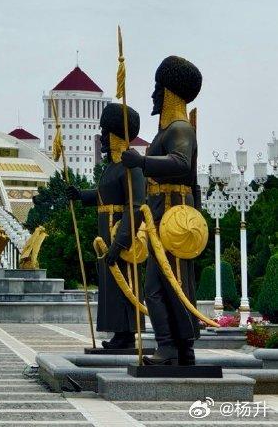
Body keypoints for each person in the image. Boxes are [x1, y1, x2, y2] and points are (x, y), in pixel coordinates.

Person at [122, 55, 202, 366]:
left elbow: (182, 165)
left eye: (157, 87)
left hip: (173, 216)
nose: (153, 94)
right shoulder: (166, 131)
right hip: (162, 213)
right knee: (162, 285)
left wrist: (141, 161)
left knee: (169, 283)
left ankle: (175, 347)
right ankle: (176, 346)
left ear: (168, 91)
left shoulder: (180, 129)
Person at [68, 103, 145, 350]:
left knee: (125, 283)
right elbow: (105, 195)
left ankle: (127, 334)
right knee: (111, 286)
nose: (101, 137)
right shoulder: (112, 167)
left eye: (104, 130)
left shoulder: (130, 166)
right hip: (106, 234)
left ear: (114, 133)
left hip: (121, 237)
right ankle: (119, 333)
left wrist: (120, 242)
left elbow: (135, 207)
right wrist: (81, 195)